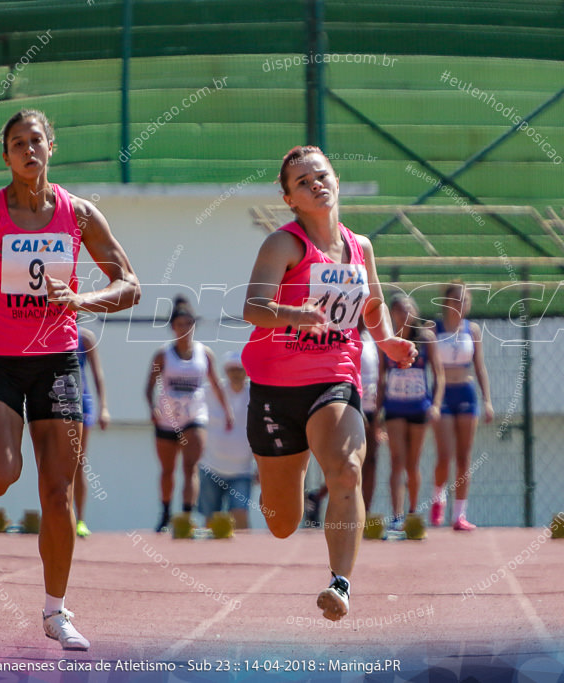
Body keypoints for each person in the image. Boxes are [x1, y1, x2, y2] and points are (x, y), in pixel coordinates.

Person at [0, 109, 141, 651]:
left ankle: (55, 611)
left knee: (58, 492)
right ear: (6, 157)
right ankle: (5, 435)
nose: (27, 150)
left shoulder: (80, 215)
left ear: (51, 146)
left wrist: (82, 299)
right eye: (16, 143)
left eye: (35, 140)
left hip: (58, 361)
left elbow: (130, 285)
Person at [241, 145, 416, 621]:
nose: (315, 184)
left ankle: (340, 583)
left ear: (336, 180)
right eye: (302, 181)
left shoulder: (362, 248)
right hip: (275, 390)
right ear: (290, 199)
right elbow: (252, 308)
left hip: (333, 378)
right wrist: (293, 314)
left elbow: (372, 308)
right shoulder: (283, 245)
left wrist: (389, 342)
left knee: (348, 470)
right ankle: (278, 480)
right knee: (282, 522)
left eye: (321, 175)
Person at [146, 296, 233, 532]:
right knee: (167, 470)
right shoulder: (163, 356)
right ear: (173, 327)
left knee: (191, 467)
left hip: (194, 417)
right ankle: (165, 514)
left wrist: (227, 412)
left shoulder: (204, 354)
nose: (184, 329)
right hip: (167, 418)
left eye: (188, 324)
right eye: (180, 324)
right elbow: (149, 385)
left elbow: (216, 383)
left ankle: (187, 515)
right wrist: (151, 407)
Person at [304, 320, 382, 527]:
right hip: (350, 404)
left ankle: (364, 511)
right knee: (349, 462)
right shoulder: (344, 334)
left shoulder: (374, 338)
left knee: (370, 461)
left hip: (372, 407)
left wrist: (379, 415)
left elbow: (381, 376)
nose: (365, 318)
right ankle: (326, 500)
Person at [430, 281, 494, 531]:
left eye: (465, 300)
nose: (460, 304)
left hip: (466, 391)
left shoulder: (473, 330)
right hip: (443, 393)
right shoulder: (433, 328)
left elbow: (480, 367)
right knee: (444, 454)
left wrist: (487, 400)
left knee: (464, 457)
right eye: (456, 299)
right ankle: (438, 500)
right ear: (445, 302)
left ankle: (460, 514)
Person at [378, 295, 444, 531]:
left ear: (414, 311)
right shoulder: (386, 340)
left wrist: (435, 404)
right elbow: (380, 378)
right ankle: (396, 516)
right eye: (397, 310)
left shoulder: (426, 339)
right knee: (396, 462)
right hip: (394, 407)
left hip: (418, 406)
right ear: (391, 314)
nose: (403, 314)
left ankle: (413, 512)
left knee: (412, 463)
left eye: (407, 309)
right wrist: (378, 413)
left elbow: (439, 374)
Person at [198, 350, 255, 529]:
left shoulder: (256, 393)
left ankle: (245, 555)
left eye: (240, 369)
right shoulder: (211, 392)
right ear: (225, 371)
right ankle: (208, 556)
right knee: (210, 519)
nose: (236, 373)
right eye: (232, 369)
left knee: (240, 515)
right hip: (210, 466)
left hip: (242, 470)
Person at [73, 326, 110, 538]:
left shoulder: (84, 337)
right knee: (53, 463)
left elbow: (98, 375)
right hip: (52, 401)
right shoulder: (45, 332)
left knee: (78, 462)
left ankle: (80, 519)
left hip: (80, 403)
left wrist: (103, 407)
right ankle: (57, 513)